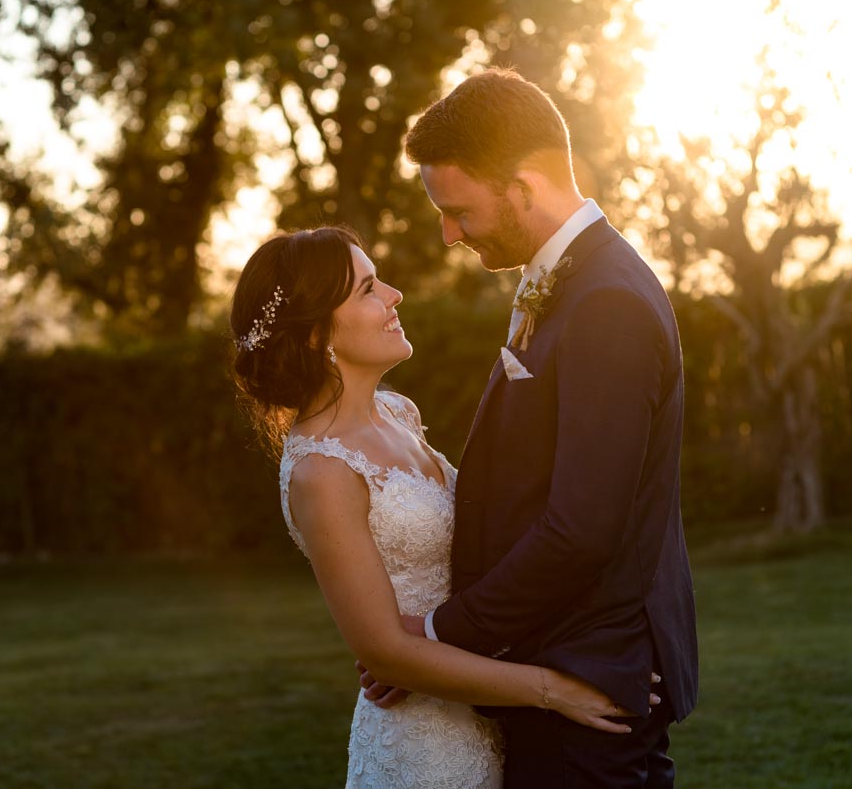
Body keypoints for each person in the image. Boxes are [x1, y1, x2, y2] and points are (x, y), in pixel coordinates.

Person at [357, 68, 699, 788]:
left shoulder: (607, 301)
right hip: (548, 659)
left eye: (458, 210)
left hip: (589, 677)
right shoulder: (567, 282)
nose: (449, 235)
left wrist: (438, 634)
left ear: (523, 186)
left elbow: (582, 528)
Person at [230, 226, 660, 789]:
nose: (394, 295)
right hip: (425, 747)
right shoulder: (321, 473)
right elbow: (385, 655)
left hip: (491, 712)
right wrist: (555, 690)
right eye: (366, 289)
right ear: (315, 335)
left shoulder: (398, 412)